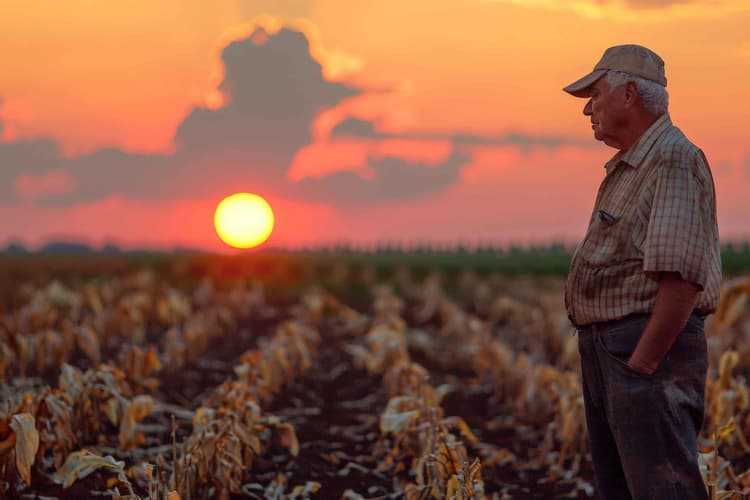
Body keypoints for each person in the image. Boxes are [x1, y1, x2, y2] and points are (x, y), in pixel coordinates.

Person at [562, 44, 722, 499]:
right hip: (615, 354)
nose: (588, 108)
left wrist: (644, 363)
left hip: (643, 352)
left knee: (662, 488)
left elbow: (681, 278)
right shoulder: (635, 165)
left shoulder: (672, 159)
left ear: (629, 94)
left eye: (596, 94)